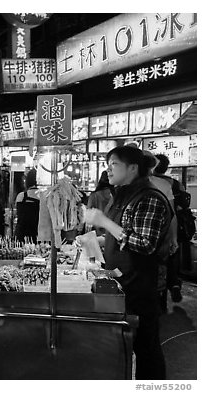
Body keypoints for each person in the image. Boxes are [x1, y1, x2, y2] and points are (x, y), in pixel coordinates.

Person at [84, 145, 172, 380]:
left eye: (114, 164)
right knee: (123, 345)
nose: (109, 170)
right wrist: (95, 241)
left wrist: (103, 220)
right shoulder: (123, 193)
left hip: (140, 287)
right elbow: (120, 234)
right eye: (108, 164)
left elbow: (144, 243)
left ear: (133, 168)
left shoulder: (149, 198)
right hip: (122, 283)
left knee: (146, 349)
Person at [153, 154, 185, 303]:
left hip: (152, 230)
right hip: (167, 229)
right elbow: (174, 212)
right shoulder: (174, 184)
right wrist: (174, 237)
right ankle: (172, 286)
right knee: (169, 260)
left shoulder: (143, 183)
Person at [14, 168, 40, 243]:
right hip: (37, 233)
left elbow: (17, 214)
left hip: (21, 233)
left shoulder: (20, 196)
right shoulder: (43, 196)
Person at [86, 170, 114, 236]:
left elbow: (88, 214)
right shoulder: (115, 195)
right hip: (112, 233)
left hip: (96, 233)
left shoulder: (94, 195)